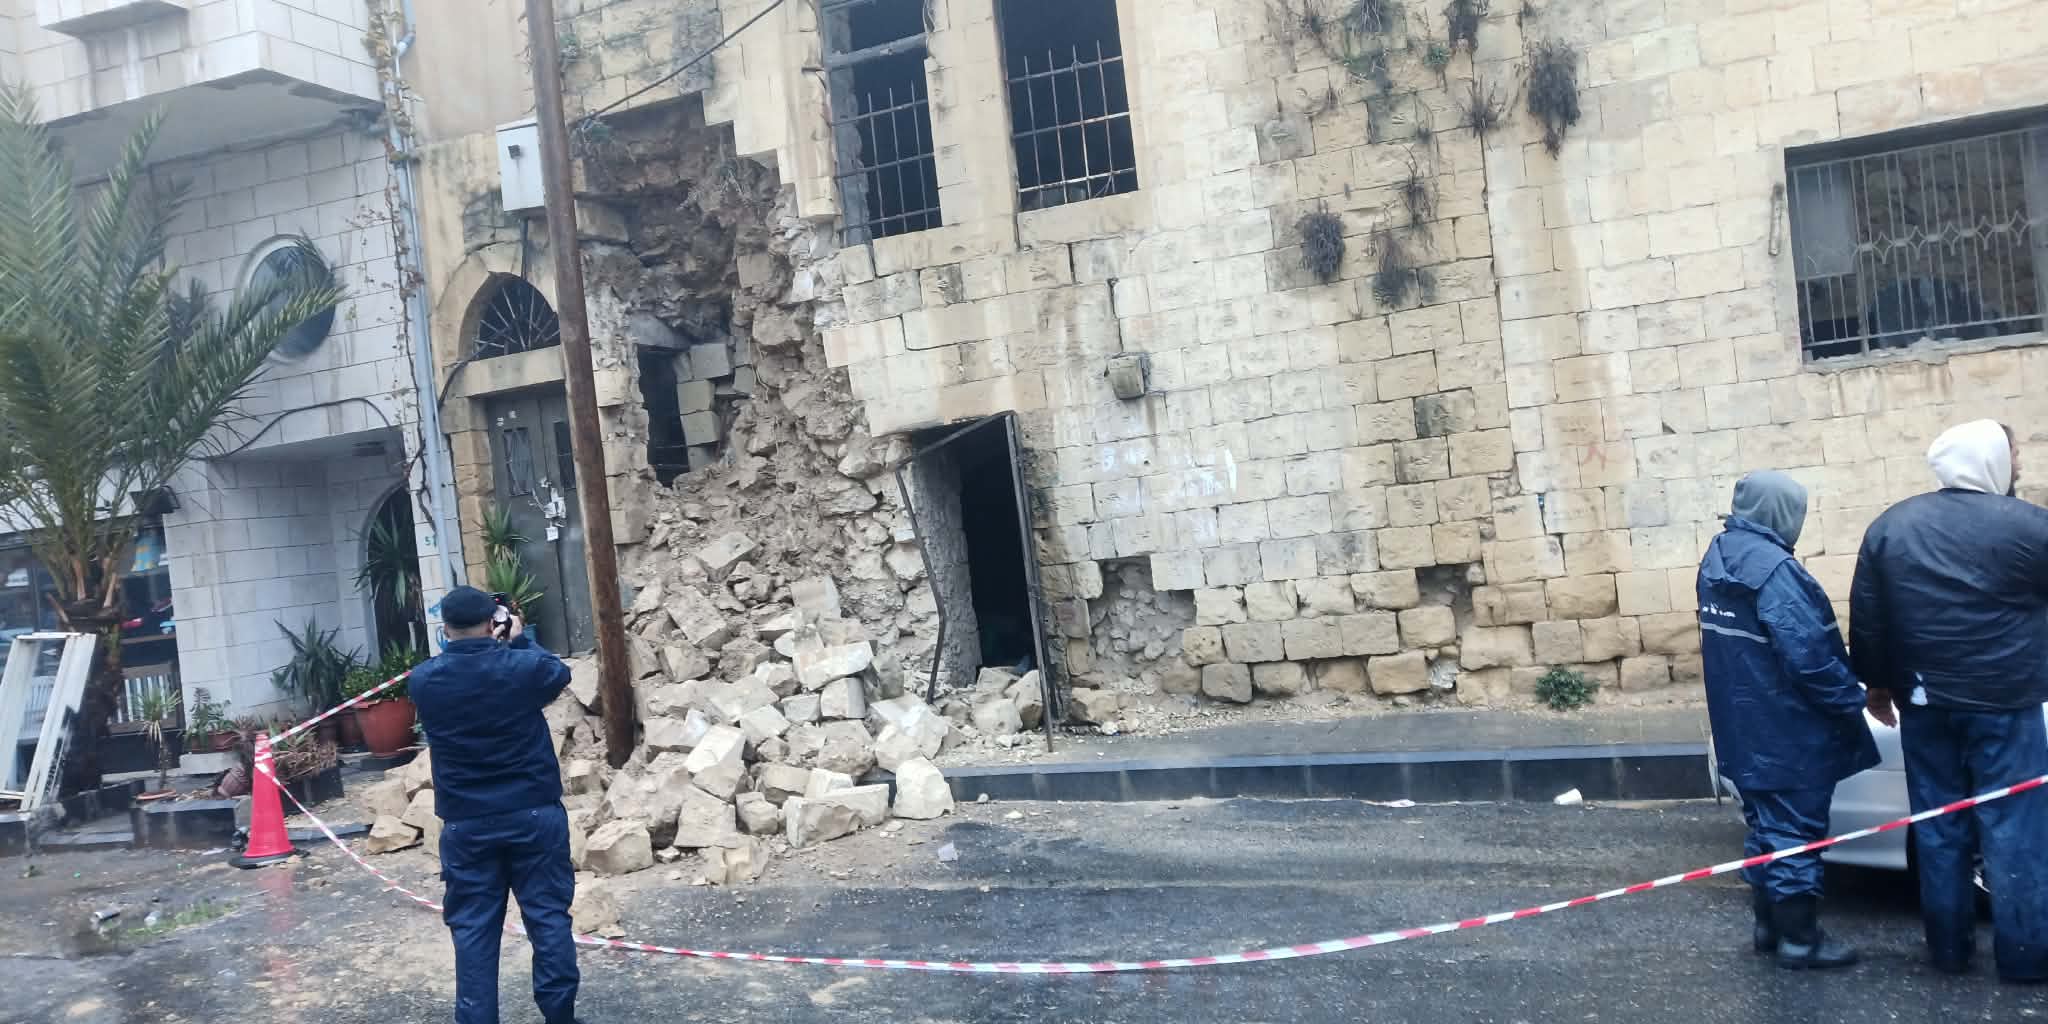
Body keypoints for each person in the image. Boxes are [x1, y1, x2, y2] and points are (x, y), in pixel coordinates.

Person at [1852, 419, 2048, 984]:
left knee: (1939, 826)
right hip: (2006, 704)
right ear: (1989, 461)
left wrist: (1877, 686)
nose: (2019, 463)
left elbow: (1869, 620)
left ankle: (1948, 951)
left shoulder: (1891, 527)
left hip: (1924, 703)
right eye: (2013, 452)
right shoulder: (2031, 527)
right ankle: (2026, 957)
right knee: (2014, 829)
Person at [1698, 470, 1878, 969]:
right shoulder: (1776, 572)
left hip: (1742, 723)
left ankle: (1768, 928)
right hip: (1789, 729)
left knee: (1765, 828)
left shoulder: (1718, 555)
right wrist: (1852, 700)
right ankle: (1800, 940)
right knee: (1796, 832)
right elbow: (1811, 657)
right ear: (1779, 513)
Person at [410, 586, 583, 1023]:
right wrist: (518, 639)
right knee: (547, 918)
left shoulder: (424, 680)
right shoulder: (522, 667)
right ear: (493, 623)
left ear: (445, 629)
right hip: (533, 813)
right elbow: (557, 673)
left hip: (466, 823)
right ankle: (559, 1014)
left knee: (473, 930)